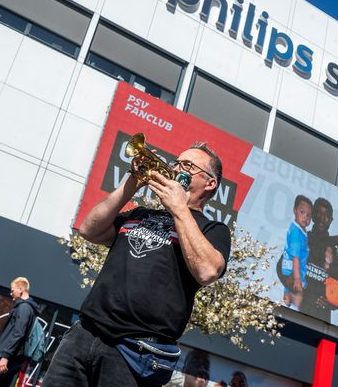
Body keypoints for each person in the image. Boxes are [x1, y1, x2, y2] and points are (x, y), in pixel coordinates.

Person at [43, 142, 231, 387]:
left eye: (188, 165)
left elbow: (207, 270)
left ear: (210, 182)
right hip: (85, 333)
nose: (176, 168)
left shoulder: (213, 230)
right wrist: (131, 183)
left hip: (136, 349)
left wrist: (179, 209)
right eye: (177, 162)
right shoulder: (140, 214)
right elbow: (89, 230)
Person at [0, 277, 39, 387]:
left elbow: (19, 333)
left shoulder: (24, 307)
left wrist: (5, 356)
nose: (11, 293)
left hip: (9, 357)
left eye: (12, 290)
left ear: (21, 289)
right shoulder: (28, 308)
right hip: (15, 358)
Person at [300, 198, 334, 322]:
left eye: (326, 215)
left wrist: (330, 302)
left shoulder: (336, 248)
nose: (321, 217)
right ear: (313, 215)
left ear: (331, 220)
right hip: (295, 309)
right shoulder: (302, 237)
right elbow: (282, 266)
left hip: (320, 318)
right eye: (318, 213)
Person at [280, 195, 312, 310]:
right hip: (294, 271)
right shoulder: (297, 233)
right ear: (294, 210)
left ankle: (287, 298)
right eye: (302, 212)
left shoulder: (298, 228)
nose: (305, 217)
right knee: (299, 296)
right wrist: (298, 279)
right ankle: (295, 310)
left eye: (308, 215)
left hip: (290, 269)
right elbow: (296, 257)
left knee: (289, 295)